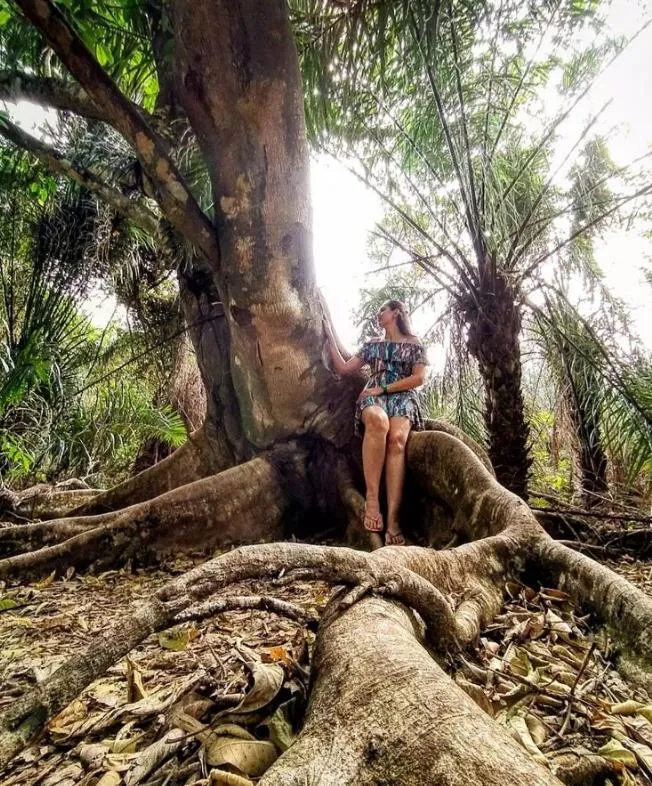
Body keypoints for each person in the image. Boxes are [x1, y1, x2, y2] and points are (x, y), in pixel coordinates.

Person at [324, 300, 428, 545]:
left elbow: (418, 378)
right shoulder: (372, 345)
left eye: (383, 309)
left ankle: (393, 521)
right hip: (373, 396)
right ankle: (372, 501)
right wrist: (329, 336)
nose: (378, 313)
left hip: (402, 397)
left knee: (397, 440)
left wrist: (384, 388)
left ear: (396, 313)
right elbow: (343, 368)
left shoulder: (415, 344)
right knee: (378, 423)